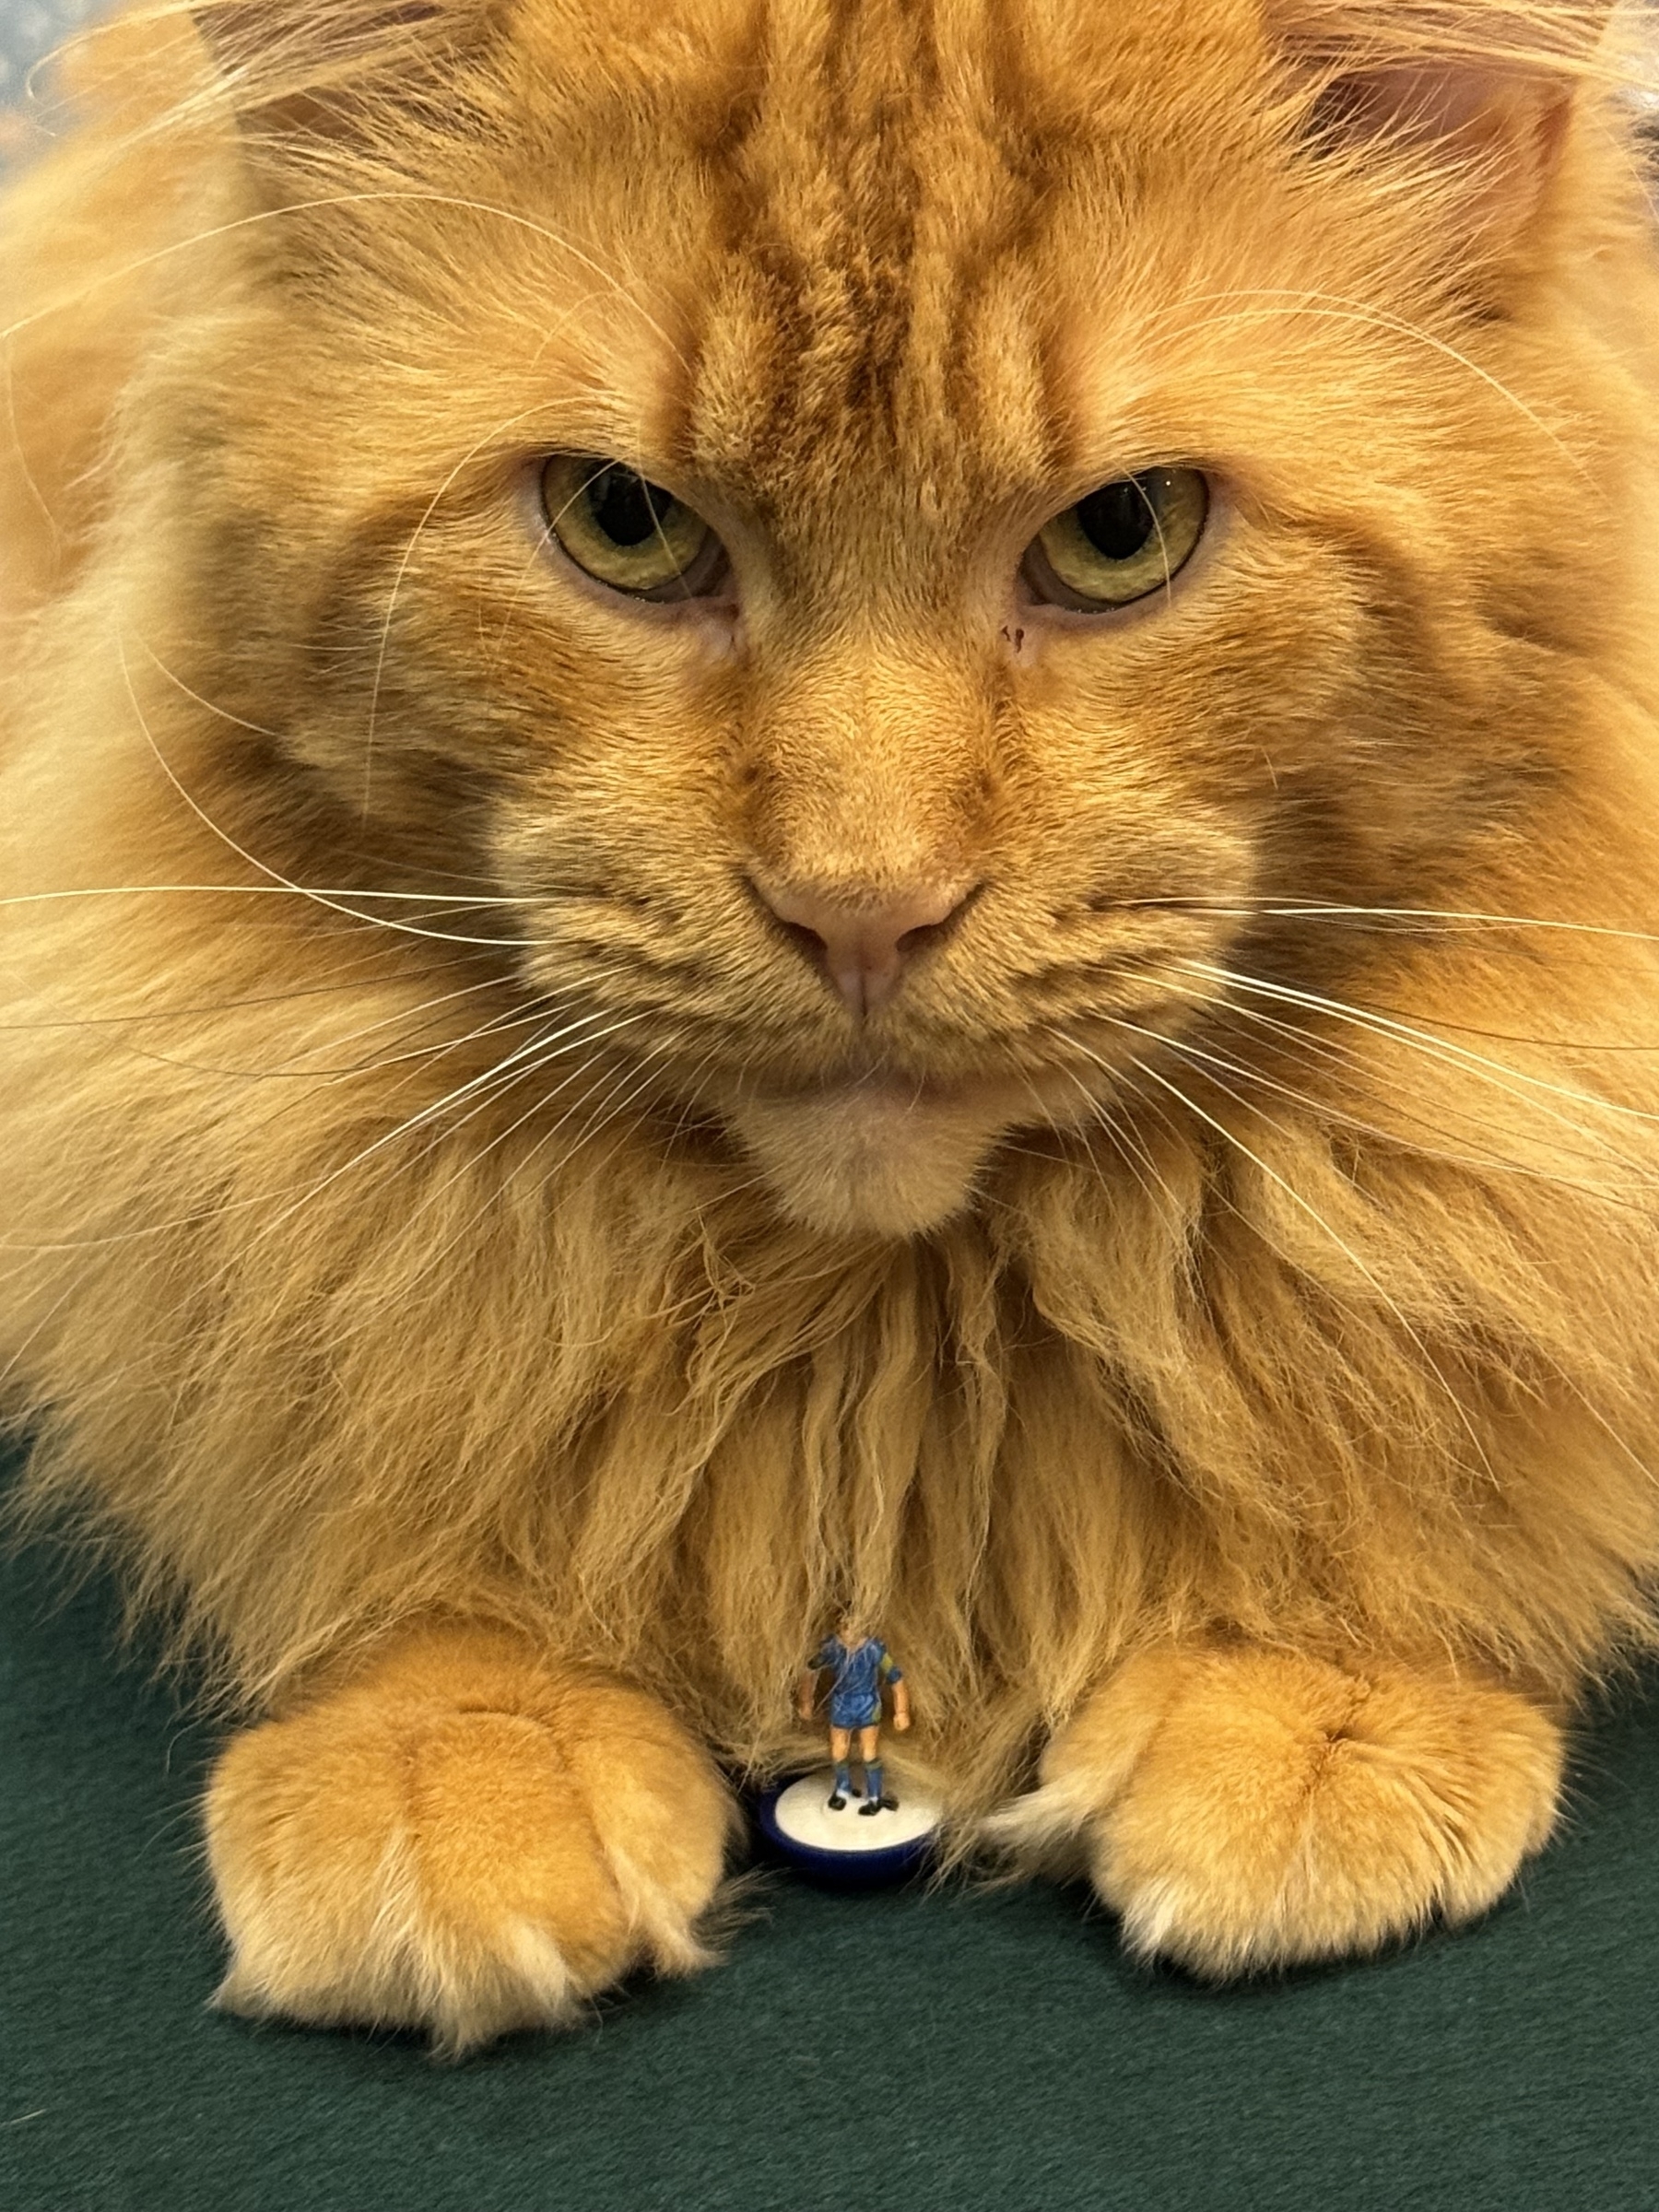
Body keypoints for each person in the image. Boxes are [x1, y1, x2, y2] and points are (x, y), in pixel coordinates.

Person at [797, 1622, 911, 1813]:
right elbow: (810, 1669)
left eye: (854, 1625)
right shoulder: (833, 1649)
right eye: (845, 1626)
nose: (850, 1631)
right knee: (839, 1750)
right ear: (840, 1627)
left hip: (867, 1704)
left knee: (869, 1752)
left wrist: (902, 1711)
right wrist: (806, 1700)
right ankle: (843, 1789)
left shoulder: (874, 1649)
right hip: (842, 1704)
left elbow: (896, 1678)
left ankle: (875, 1796)